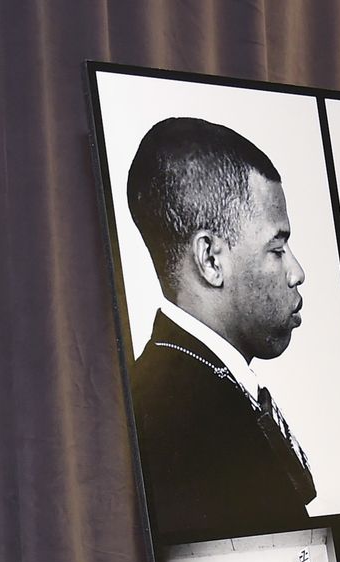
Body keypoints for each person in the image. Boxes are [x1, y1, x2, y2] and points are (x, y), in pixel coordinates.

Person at [125, 117, 315, 537]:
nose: (297, 271)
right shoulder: (183, 425)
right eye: (277, 248)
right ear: (211, 259)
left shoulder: (178, 392)